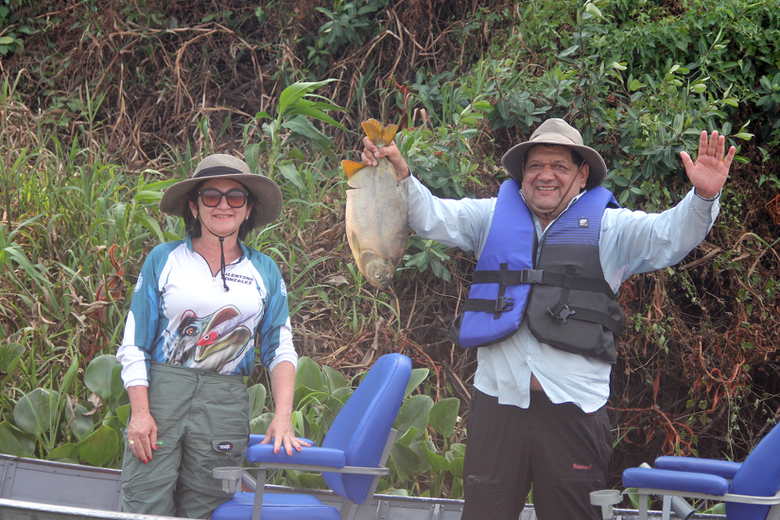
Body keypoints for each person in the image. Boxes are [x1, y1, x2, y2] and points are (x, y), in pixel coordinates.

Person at [361, 118, 736, 520]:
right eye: (536, 165)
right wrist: (399, 173)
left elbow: (669, 235)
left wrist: (702, 197)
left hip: (573, 410)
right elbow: (431, 215)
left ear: (581, 175)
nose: (546, 176)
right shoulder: (488, 218)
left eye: (559, 165)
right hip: (497, 403)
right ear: (523, 174)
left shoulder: (611, 228)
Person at [115, 154, 308, 518]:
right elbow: (134, 343)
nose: (223, 205)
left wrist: (283, 416)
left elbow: (280, 347)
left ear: (248, 209)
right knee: (145, 499)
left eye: (236, 196)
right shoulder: (164, 258)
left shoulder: (264, 270)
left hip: (225, 399)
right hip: (162, 394)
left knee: (211, 503)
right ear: (194, 205)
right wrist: (140, 413)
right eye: (211, 196)